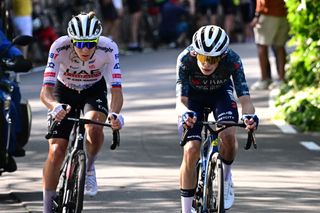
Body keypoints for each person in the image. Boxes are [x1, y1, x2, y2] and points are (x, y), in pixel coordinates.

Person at [40, 11, 124, 213]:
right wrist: (54, 106)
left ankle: (89, 167)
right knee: (56, 150)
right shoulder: (59, 46)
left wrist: (115, 114)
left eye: (90, 43)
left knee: (94, 127)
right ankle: (46, 208)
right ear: (71, 40)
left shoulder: (109, 47)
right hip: (64, 91)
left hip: (93, 90)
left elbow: (116, 90)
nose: (85, 49)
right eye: (79, 43)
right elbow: (45, 91)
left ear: (97, 40)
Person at [176, 25, 259, 212]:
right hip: (193, 98)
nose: (206, 64)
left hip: (220, 94)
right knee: (190, 150)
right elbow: (180, 101)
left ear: (222, 56)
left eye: (212, 59)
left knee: (228, 135)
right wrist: (184, 113)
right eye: (203, 57)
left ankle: (227, 178)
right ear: (196, 53)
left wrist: (249, 116)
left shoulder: (233, 60)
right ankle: (186, 209)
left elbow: (245, 99)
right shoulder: (185, 59)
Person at [250, 0, 289, 90]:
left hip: (268, 13)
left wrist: (257, 15)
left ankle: (264, 80)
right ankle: (281, 79)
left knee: (261, 46)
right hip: (283, 12)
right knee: (280, 47)